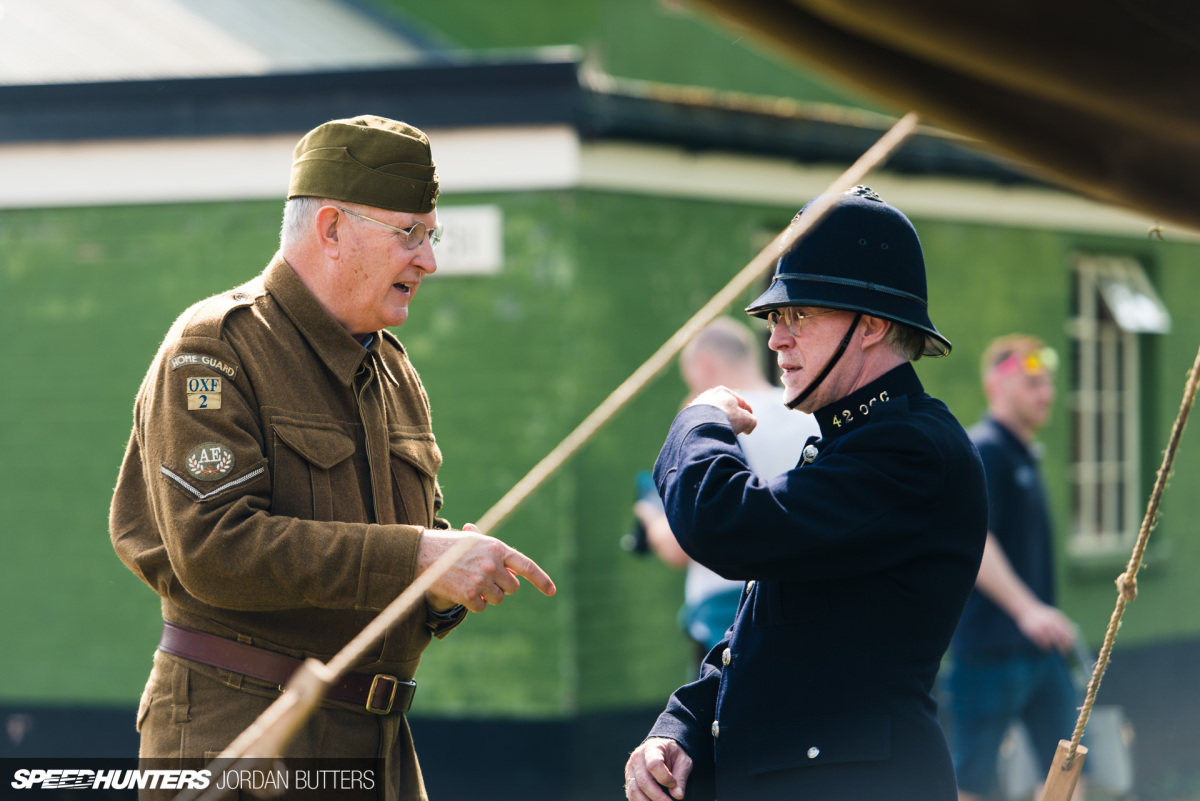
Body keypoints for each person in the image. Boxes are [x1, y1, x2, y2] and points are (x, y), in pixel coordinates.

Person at [109, 115, 555, 800]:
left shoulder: (395, 372)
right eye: (409, 232)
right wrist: (417, 557)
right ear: (332, 230)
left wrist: (442, 583)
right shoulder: (216, 348)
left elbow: (393, 557)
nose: (428, 260)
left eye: (431, 236)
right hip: (242, 741)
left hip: (378, 749)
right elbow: (214, 547)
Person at [624, 186, 988, 801]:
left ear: (870, 325)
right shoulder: (852, 438)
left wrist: (699, 419)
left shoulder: (910, 448)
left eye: (800, 315)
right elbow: (774, 631)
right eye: (774, 318)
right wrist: (682, 727)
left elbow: (727, 526)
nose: (776, 339)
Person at [946, 335, 1085, 801]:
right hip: (987, 653)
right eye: (1031, 382)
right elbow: (973, 538)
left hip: (1039, 652)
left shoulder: (1024, 452)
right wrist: (1029, 611)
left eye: (1047, 382)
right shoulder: (984, 448)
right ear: (995, 386)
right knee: (972, 784)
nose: (1046, 393)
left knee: (1066, 772)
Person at [634, 317, 818, 661]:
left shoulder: (709, 423)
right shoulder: (810, 413)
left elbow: (681, 545)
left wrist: (651, 516)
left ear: (703, 365)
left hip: (725, 615)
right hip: (802, 606)